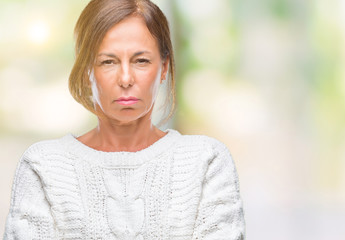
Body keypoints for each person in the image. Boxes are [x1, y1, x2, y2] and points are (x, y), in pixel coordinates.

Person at [3, 0, 245, 239]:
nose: (126, 78)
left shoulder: (206, 162)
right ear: (87, 69)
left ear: (163, 67)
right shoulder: (43, 167)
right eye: (108, 61)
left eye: (141, 61)